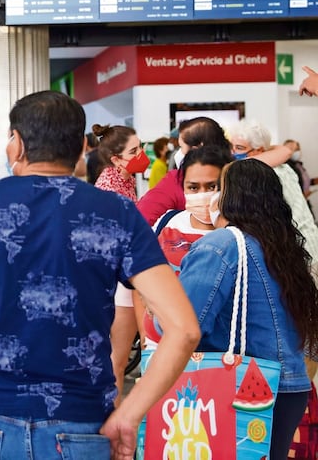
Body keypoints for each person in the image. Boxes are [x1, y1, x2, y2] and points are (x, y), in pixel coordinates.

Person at [0, 91, 200, 460]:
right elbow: (184, 330)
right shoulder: (117, 213)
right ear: (81, 148)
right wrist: (130, 414)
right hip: (85, 424)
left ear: (19, 145)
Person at [177, 158, 318, 460]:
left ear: (233, 196)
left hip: (233, 387)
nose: (210, 197)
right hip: (290, 388)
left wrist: (157, 309)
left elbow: (186, 325)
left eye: (218, 187)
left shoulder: (221, 245)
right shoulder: (284, 248)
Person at [142, 146, 233, 348]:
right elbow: (142, 275)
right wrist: (144, 337)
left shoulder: (237, 234)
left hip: (212, 355)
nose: (202, 195)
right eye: (193, 187)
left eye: (212, 187)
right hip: (158, 344)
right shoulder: (168, 221)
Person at [136, 116, 290, 226]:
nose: (179, 153)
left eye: (181, 147)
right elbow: (284, 151)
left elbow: (141, 219)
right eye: (194, 187)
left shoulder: (178, 179)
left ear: (197, 148)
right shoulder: (240, 171)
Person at [92, 123, 149, 398]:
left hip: (124, 277)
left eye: (142, 147)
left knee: (118, 359)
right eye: (134, 151)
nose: (142, 155)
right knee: (116, 360)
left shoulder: (125, 179)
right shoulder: (109, 186)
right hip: (116, 282)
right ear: (116, 159)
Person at [226, 119, 318, 268]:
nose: (233, 152)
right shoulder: (284, 167)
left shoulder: (265, 174)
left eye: (240, 148)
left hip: (300, 250)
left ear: (259, 151)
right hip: (306, 244)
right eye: (232, 147)